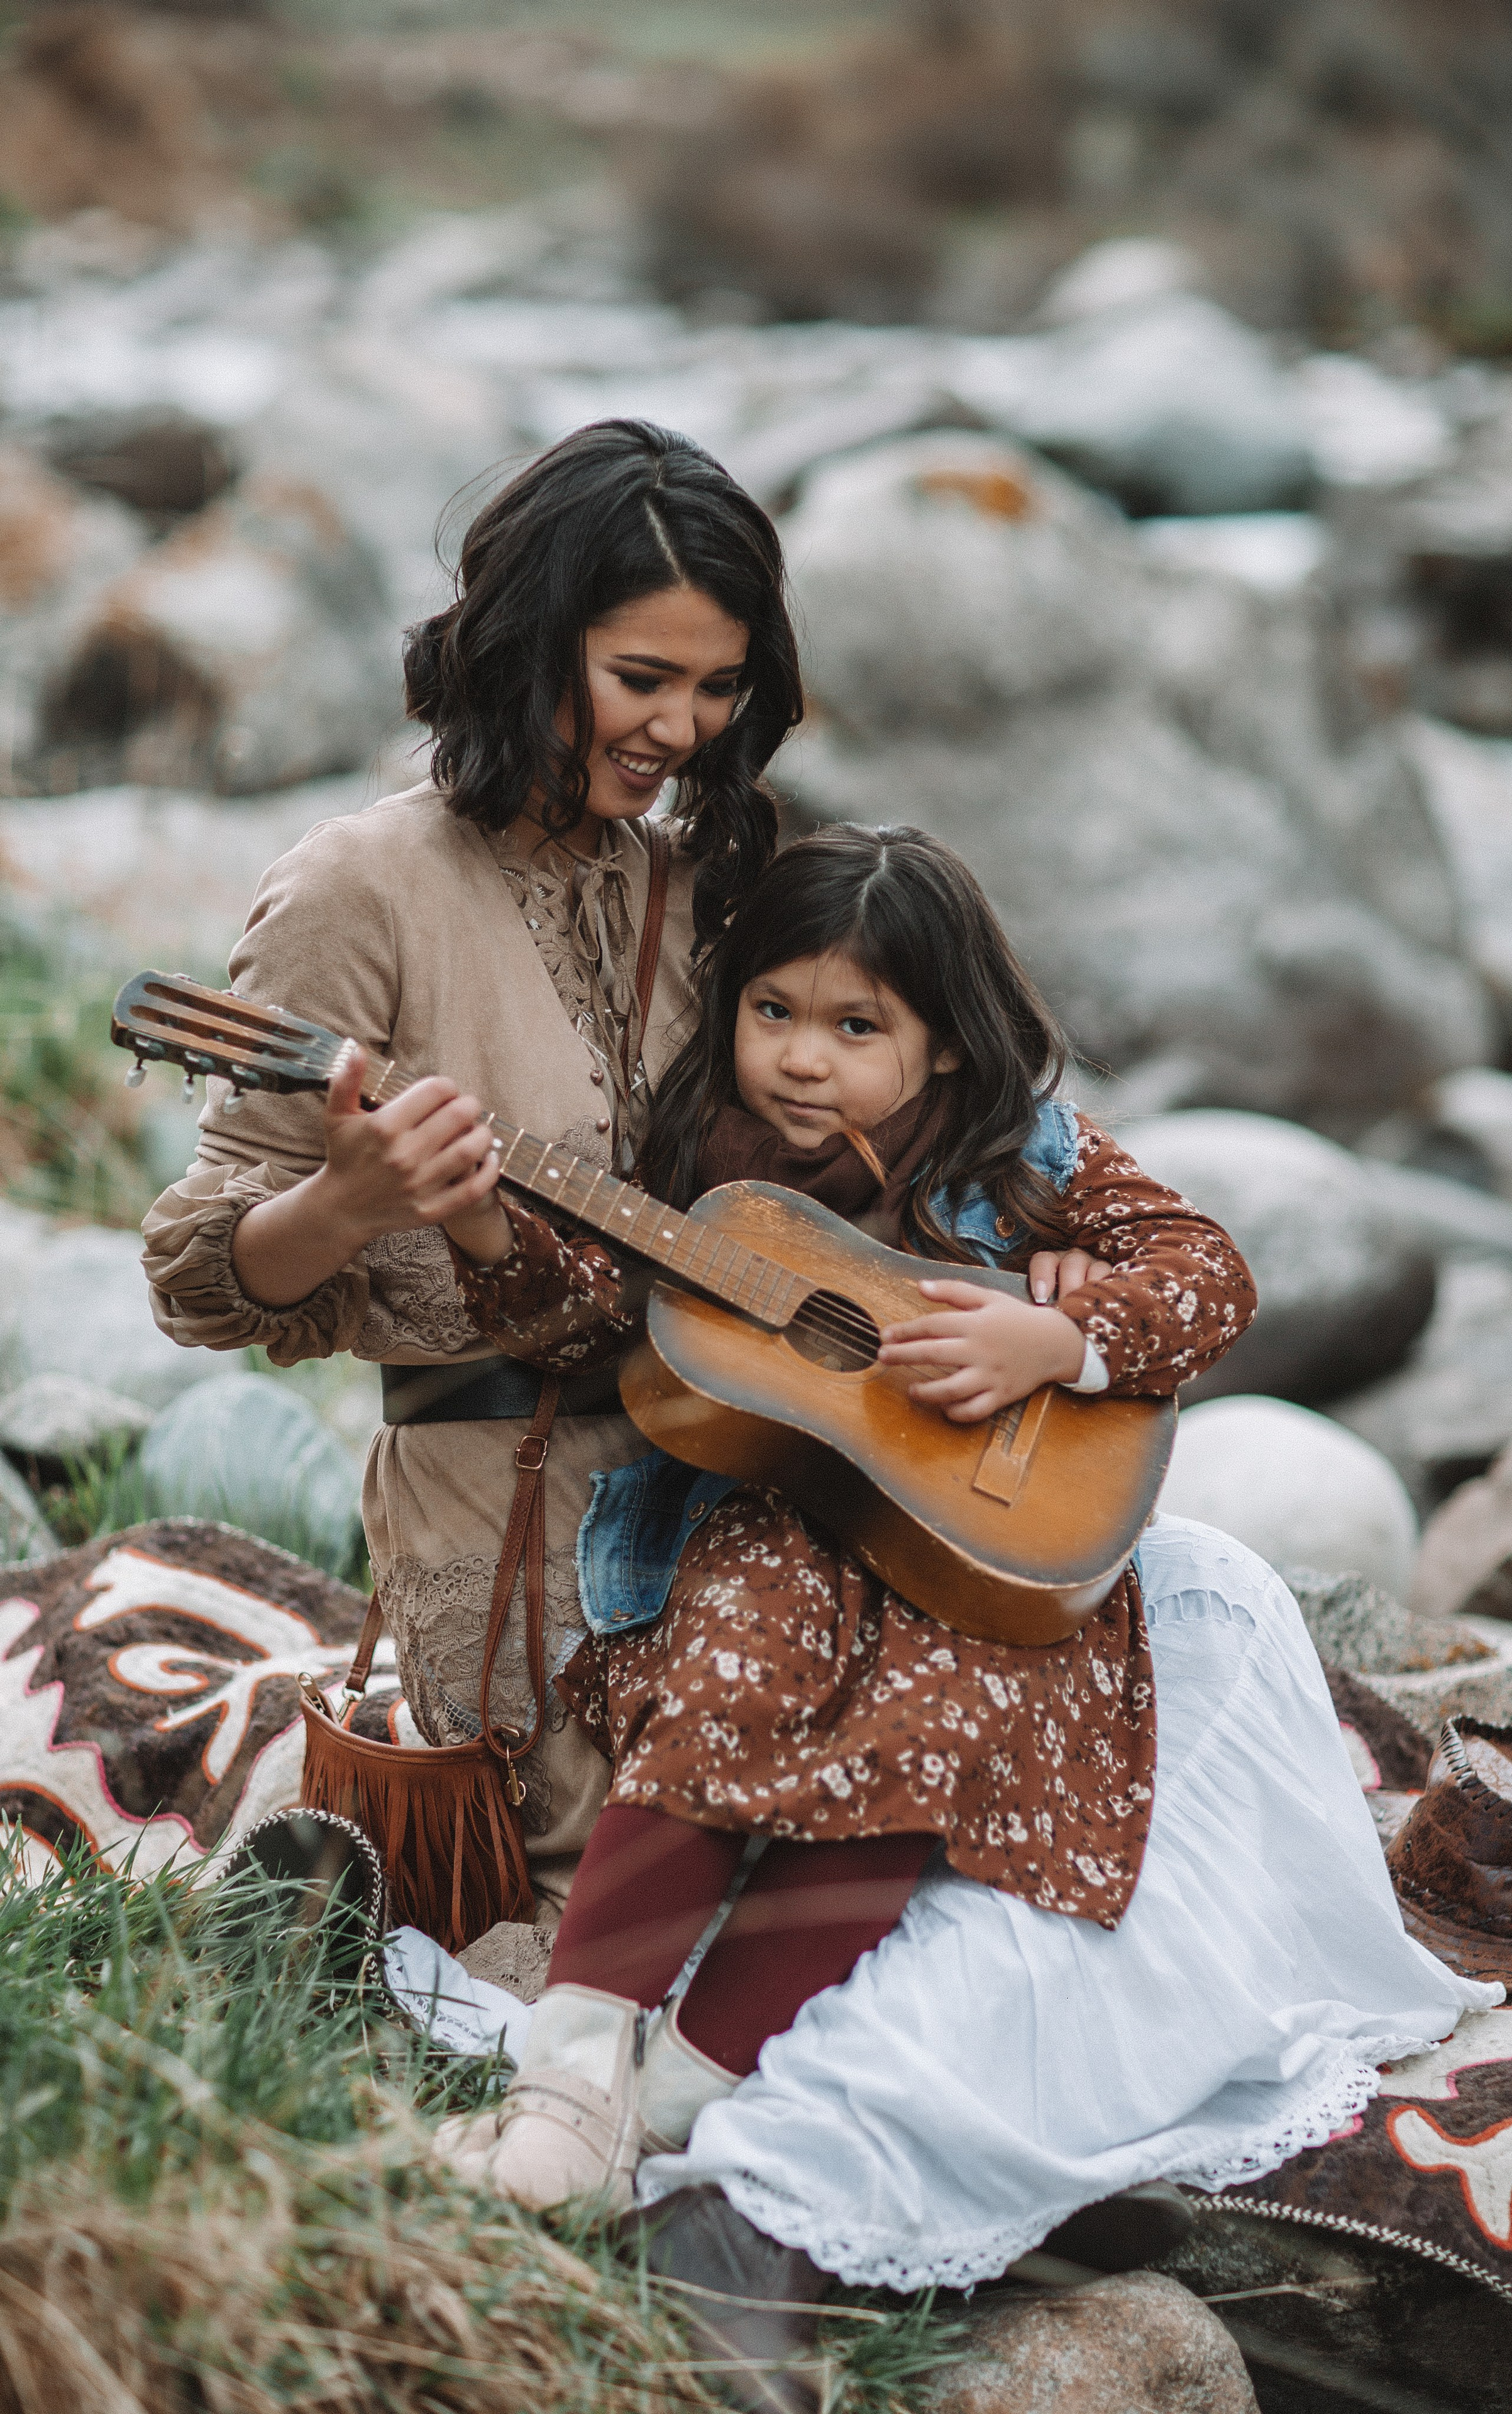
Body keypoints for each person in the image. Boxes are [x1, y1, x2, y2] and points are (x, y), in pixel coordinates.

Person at [434, 826, 1494, 2400]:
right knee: (734, 1663)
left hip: (985, 1567)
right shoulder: (690, 1159)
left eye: (855, 1028)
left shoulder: (1029, 1150)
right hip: (764, 1537)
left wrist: (1049, 1352)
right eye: (773, 1012)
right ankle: (573, 2053)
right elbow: (579, 1308)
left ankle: (679, 2093)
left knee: (941, 1740)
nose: (803, 1060)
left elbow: (1207, 1274)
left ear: (938, 1034)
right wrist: (466, 1216)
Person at [140, 418, 810, 1951]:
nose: (682, 730)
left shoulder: (702, 883)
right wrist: (351, 1202)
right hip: (497, 1501)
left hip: (742, 1461)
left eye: (718, 688)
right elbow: (199, 1276)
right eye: (642, 680)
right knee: (617, 1926)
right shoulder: (356, 887)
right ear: (526, 645)